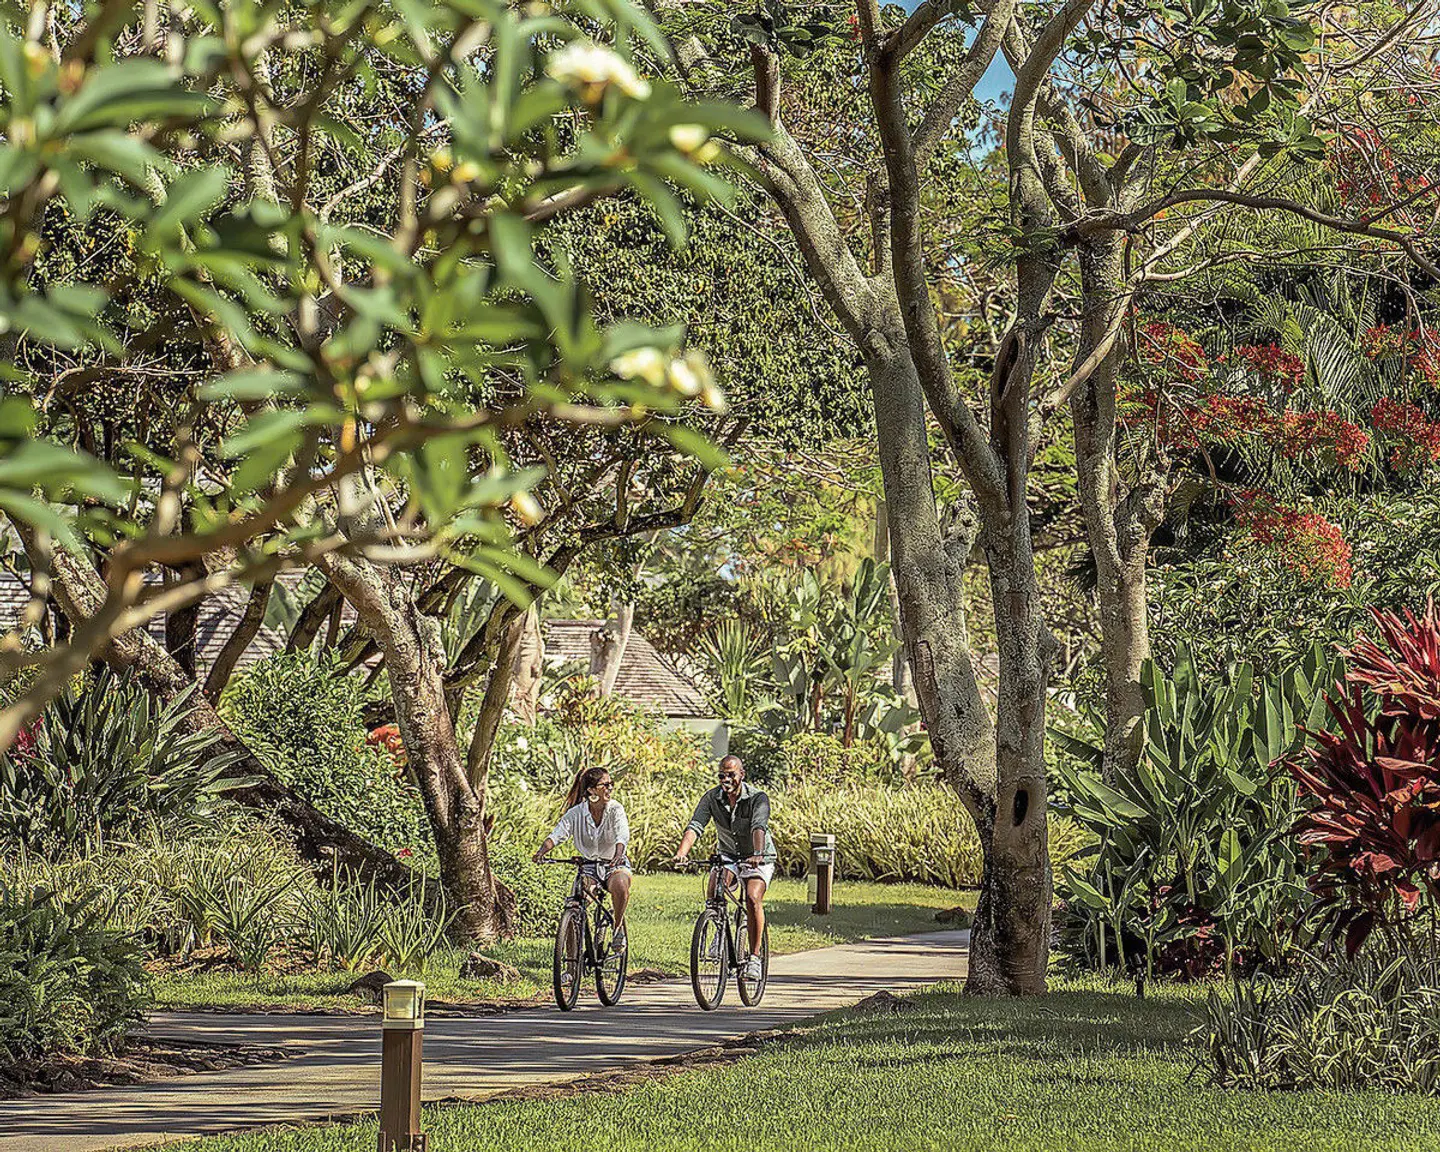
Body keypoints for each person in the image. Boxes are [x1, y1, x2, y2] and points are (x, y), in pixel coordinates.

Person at [674, 753, 775, 980]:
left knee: (751, 898)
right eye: (722, 775)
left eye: (731, 775)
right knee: (714, 887)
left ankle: (754, 958)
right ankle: (719, 931)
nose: (726, 780)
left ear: (742, 774)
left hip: (759, 856)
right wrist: (682, 853)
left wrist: (757, 854)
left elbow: (758, 826)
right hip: (729, 854)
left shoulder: (757, 798)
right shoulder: (712, 798)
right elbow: (696, 825)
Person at [534, 766, 632, 946]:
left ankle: (617, 929)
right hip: (589, 866)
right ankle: (571, 969)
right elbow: (557, 835)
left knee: (620, 886)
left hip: (614, 863)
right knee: (574, 906)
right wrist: (541, 852)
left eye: (611, 784)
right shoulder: (576, 813)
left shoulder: (615, 809)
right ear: (591, 790)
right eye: (605, 785)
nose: (610, 788)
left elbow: (622, 834)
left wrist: (619, 854)